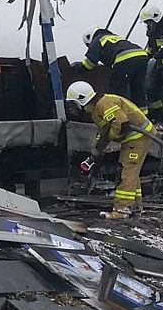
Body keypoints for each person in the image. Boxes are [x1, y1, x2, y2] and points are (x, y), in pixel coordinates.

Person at [66, 81, 154, 219]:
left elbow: (121, 124)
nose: (73, 109)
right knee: (131, 172)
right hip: (133, 139)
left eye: (74, 104)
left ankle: (122, 210)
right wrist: (94, 154)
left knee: (127, 172)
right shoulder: (98, 108)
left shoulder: (104, 104)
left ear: (81, 100)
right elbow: (104, 132)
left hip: (138, 137)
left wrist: (113, 136)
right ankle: (135, 206)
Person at [79, 27, 149, 112]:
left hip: (125, 59)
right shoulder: (114, 37)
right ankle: (144, 117)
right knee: (138, 89)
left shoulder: (97, 39)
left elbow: (89, 63)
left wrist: (79, 69)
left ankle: (121, 115)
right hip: (142, 56)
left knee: (117, 90)